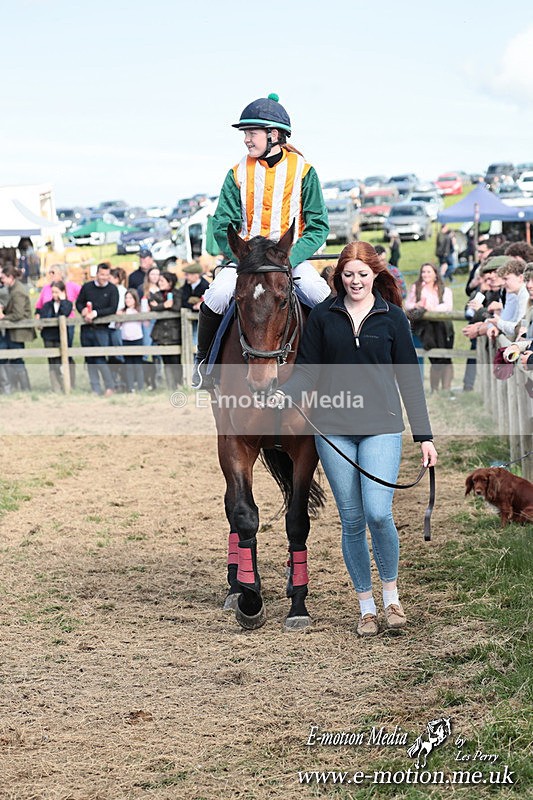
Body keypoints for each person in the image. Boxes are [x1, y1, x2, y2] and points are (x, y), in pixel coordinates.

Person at [265, 241, 437, 636]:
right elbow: (307, 370)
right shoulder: (324, 315)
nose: (355, 280)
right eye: (348, 274)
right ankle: (366, 606)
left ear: (375, 274)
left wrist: (424, 436)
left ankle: (392, 598)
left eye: (362, 273)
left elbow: (410, 381)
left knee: (378, 513)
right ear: (338, 277)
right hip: (333, 429)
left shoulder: (393, 318)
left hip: (382, 425)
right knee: (352, 519)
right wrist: (285, 393)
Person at [192, 92, 330, 388]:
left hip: (290, 260)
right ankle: (204, 363)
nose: (246, 139)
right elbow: (222, 224)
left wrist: (286, 260)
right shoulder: (236, 173)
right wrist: (242, 257)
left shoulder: (305, 171)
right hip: (245, 262)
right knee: (216, 295)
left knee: (321, 297)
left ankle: (337, 367)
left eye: (251, 133)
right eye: (245, 133)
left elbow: (318, 226)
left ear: (274, 134)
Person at [405, 263, 454, 393]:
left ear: (435, 274)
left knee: (446, 357)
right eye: (423, 272)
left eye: (429, 272)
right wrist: (417, 304)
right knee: (433, 357)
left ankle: (446, 389)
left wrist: (432, 309)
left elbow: (448, 306)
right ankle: (434, 389)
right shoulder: (417, 288)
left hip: (442, 327)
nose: (425, 275)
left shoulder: (444, 290)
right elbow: (408, 305)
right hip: (424, 328)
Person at [75, 262, 119, 396]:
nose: (103, 277)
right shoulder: (87, 287)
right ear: (97, 274)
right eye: (101, 274)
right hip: (87, 329)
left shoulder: (112, 289)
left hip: (102, 329)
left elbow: (112, 308)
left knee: (100, 358)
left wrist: (96, 313)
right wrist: (82, 310)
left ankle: (110, 386)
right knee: (90, 359)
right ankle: (95, 388)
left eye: (106, 275)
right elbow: (79, 302)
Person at [0, 264, 36, 391]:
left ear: (10, 277)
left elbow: (18, 314)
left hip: (19, 331)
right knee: (13, 358)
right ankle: (17, 387)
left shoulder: (17, 291)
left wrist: (3, 317)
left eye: (3, 278)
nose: (2, 281)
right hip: (15, 331)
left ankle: (25, 388)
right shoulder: (13, 288)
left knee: (16, 359)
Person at [149, 271, 183, 389]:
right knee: (166, 361)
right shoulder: (157, 294)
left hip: (174, 332)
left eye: (162, 280)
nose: (160, 282)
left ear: (170, 282)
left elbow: (177, 307)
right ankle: (170, 386)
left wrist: (165, 305)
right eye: (159, 280)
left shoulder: (177, 293)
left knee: (175, 361)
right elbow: (152, 306)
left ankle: (179, 383)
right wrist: (165, 305)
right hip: (161, 333)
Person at [39, 280, 74, 392]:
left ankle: (67, 385)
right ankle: (56, 387)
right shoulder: (47, 305)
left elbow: (64, 313)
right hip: (49, 336)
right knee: (52, 361)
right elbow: (44, 318)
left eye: (57, 292)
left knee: (63, 361)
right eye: (52, 292)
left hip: (61, 337)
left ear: (63, 292)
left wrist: (63, 300)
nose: (54, 295)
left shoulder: (68, 303)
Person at [117, 288, 144, 392]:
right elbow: (117, 325)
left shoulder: (139, 310)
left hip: (137, 339)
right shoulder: (123, 311)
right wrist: (118, 317)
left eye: (130, 298)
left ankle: (140, 387)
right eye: (126, 298)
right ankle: (130, 387)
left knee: (138, 364)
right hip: (126, 339)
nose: (128, 300)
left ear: (135, 299)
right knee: (128, 365)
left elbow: (145, 322)